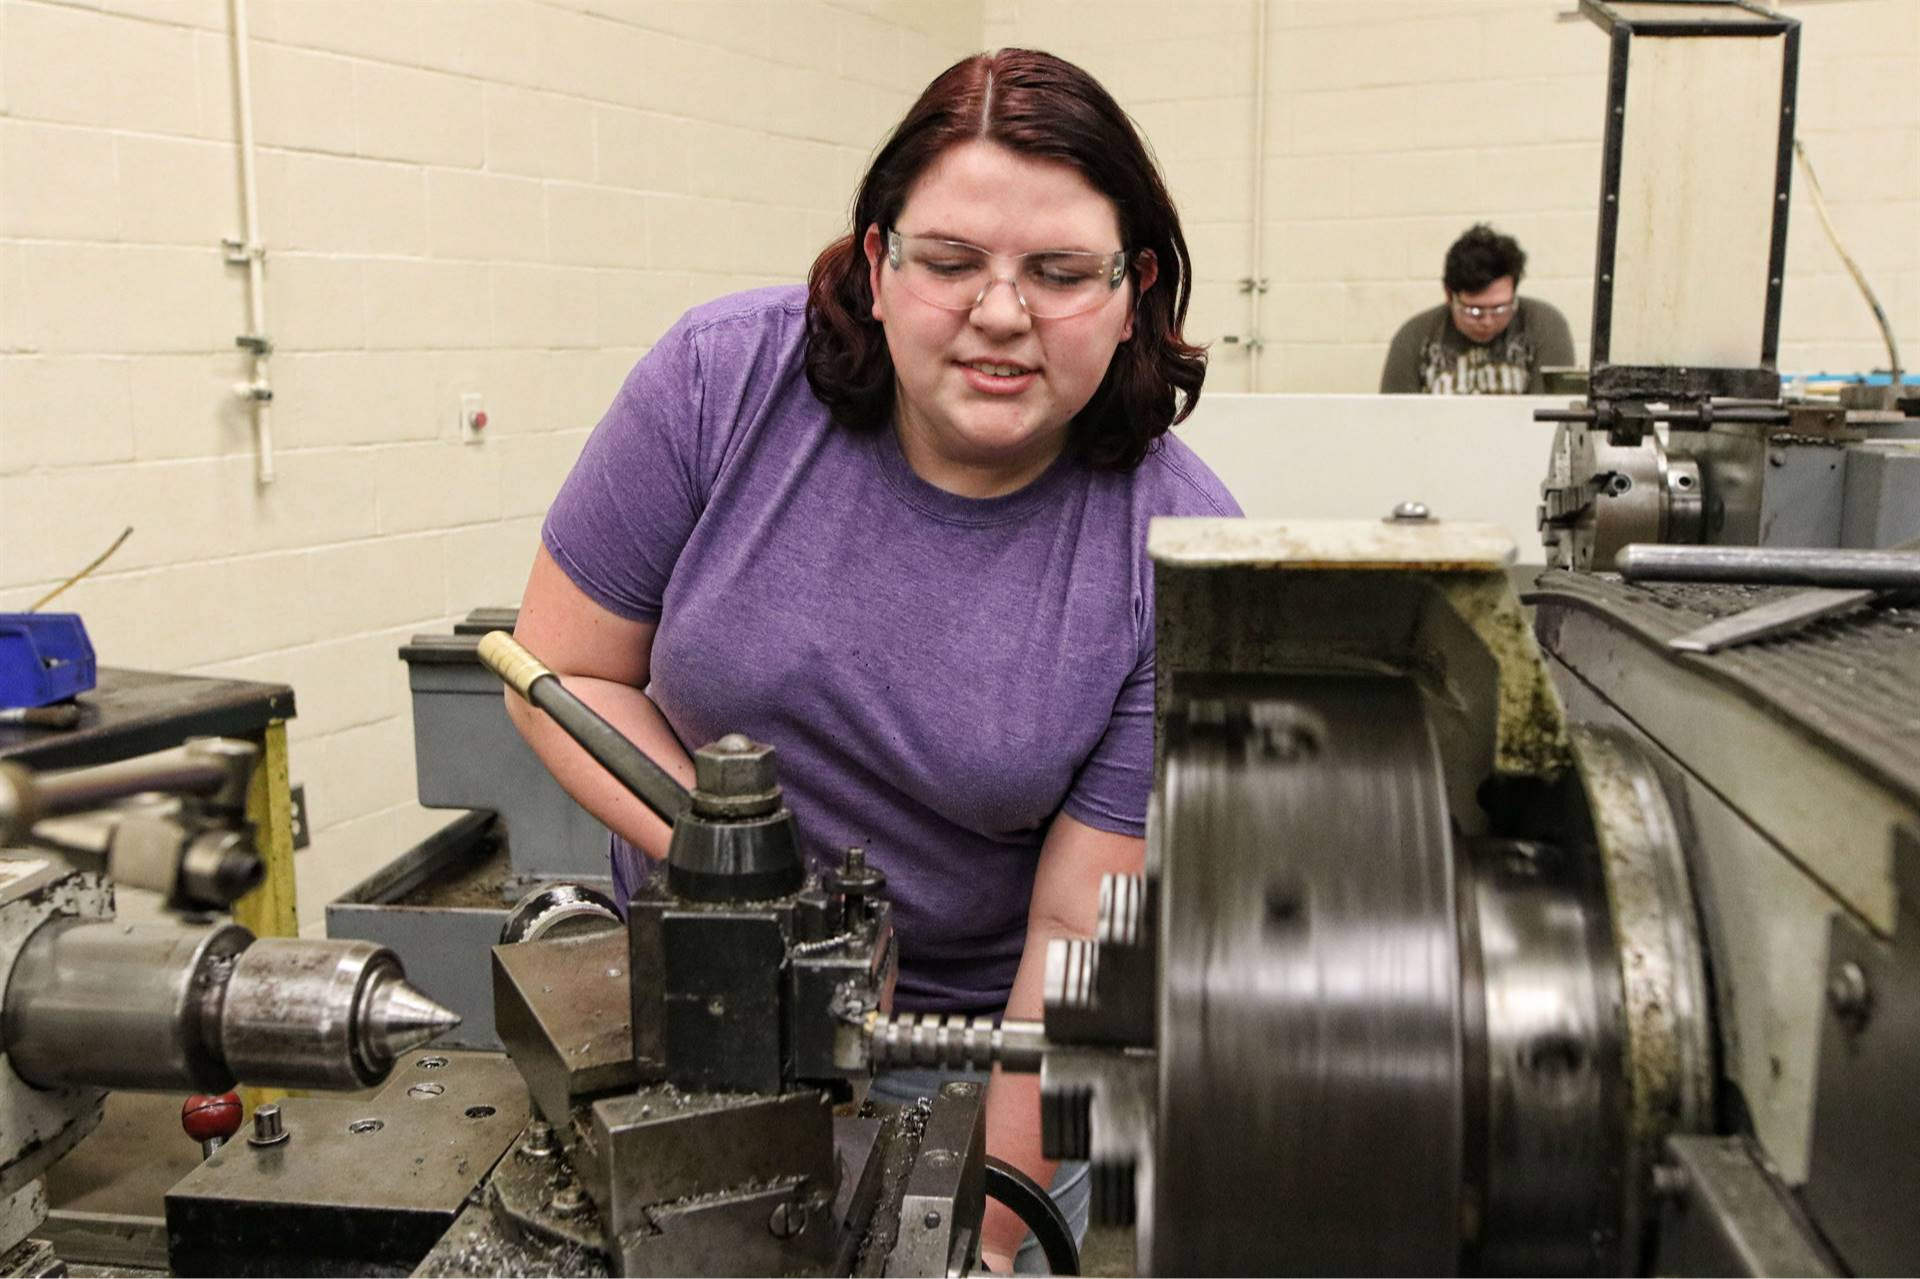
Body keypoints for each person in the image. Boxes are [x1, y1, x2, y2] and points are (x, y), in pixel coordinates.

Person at [504, 48, 1240, 1274]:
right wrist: (728, 865)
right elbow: (566, 674)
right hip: (680, 1011)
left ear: (1135, 288)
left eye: (1060, 273)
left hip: (957, 1058)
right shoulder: (721, 382)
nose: (1000, 313)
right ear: (879, 261)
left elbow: (1076, 930)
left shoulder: (1177, 554)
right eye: (950, 262)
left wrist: (984, 1230)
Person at [1380, 223, 1576, 394]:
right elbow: (1395, 418)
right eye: (1474, 311)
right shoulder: (1415, 337)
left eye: (1500, 308)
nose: (1487, 321)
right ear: (1449, 295)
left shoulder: (1545, 326)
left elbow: (1552, 417)